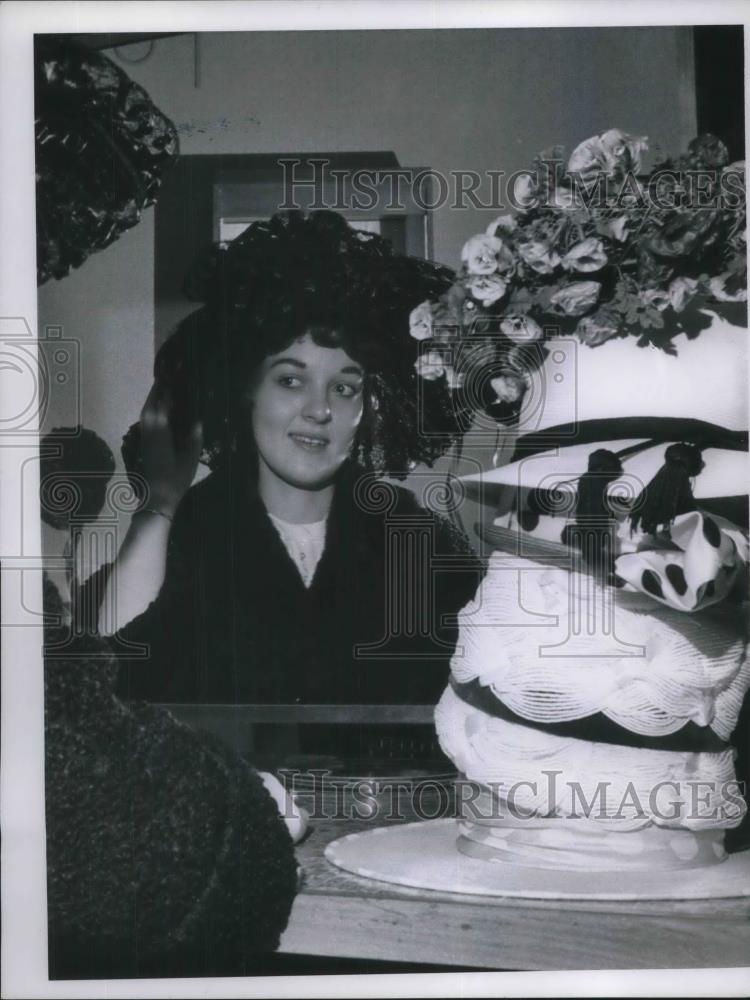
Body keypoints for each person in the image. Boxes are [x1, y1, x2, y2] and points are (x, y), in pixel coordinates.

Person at [88, 211, 485, 759]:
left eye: (345, 388)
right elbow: (110, 677)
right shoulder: (192, 530)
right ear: (245, 390)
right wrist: (160, 504)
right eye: (291, 379)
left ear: (369, 408)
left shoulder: (417, 538)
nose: (319, 409)